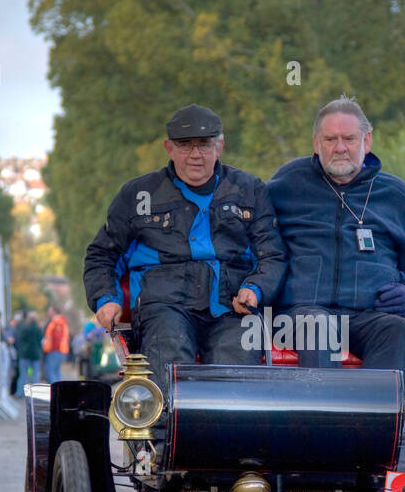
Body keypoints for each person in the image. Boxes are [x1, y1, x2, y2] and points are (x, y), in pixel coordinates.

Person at [84, 103, 287, 395]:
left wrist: (255, 288)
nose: (195, 155)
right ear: (169, 148)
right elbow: (103, 254)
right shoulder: (137, 195)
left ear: (220, 146)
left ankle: (232, 438)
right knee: (170, 356)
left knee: (237, 365)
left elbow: (273, 255)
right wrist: (105, 299)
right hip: (164, 305)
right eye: (185, 145)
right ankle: (167, 436)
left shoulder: (251, 191)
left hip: (232, 307)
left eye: (204, 145)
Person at [267, 96, 405, 376]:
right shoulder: (286, 185)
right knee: (317, 325)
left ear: (366, 141)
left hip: (367, 316)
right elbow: (255, 241)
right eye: (330, 139)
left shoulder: (395, 195)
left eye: (349, 139)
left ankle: (376, 420)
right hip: (298, 315)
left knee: (394, 327)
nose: (340, 148)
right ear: (316, 144)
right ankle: (324, 419)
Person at [15, 310, 44, 387]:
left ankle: (21, 393)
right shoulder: (39, 329)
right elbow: (41, 340)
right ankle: (35, 393)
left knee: (23, 375)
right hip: (36, 355)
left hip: (25, 355)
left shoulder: (24, 328)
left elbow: (19, 340)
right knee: (35, 375)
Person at [42, 304, 70, 383]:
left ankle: (55, 390)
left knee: (50, 371)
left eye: (49, 311)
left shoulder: (57, 322)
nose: (48, 313)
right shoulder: (59, 321)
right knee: (56, 371)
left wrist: (53, 348)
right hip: (58, 350)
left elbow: (57, 337)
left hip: (55, 350)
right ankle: (58, 390)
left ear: (54, 312)